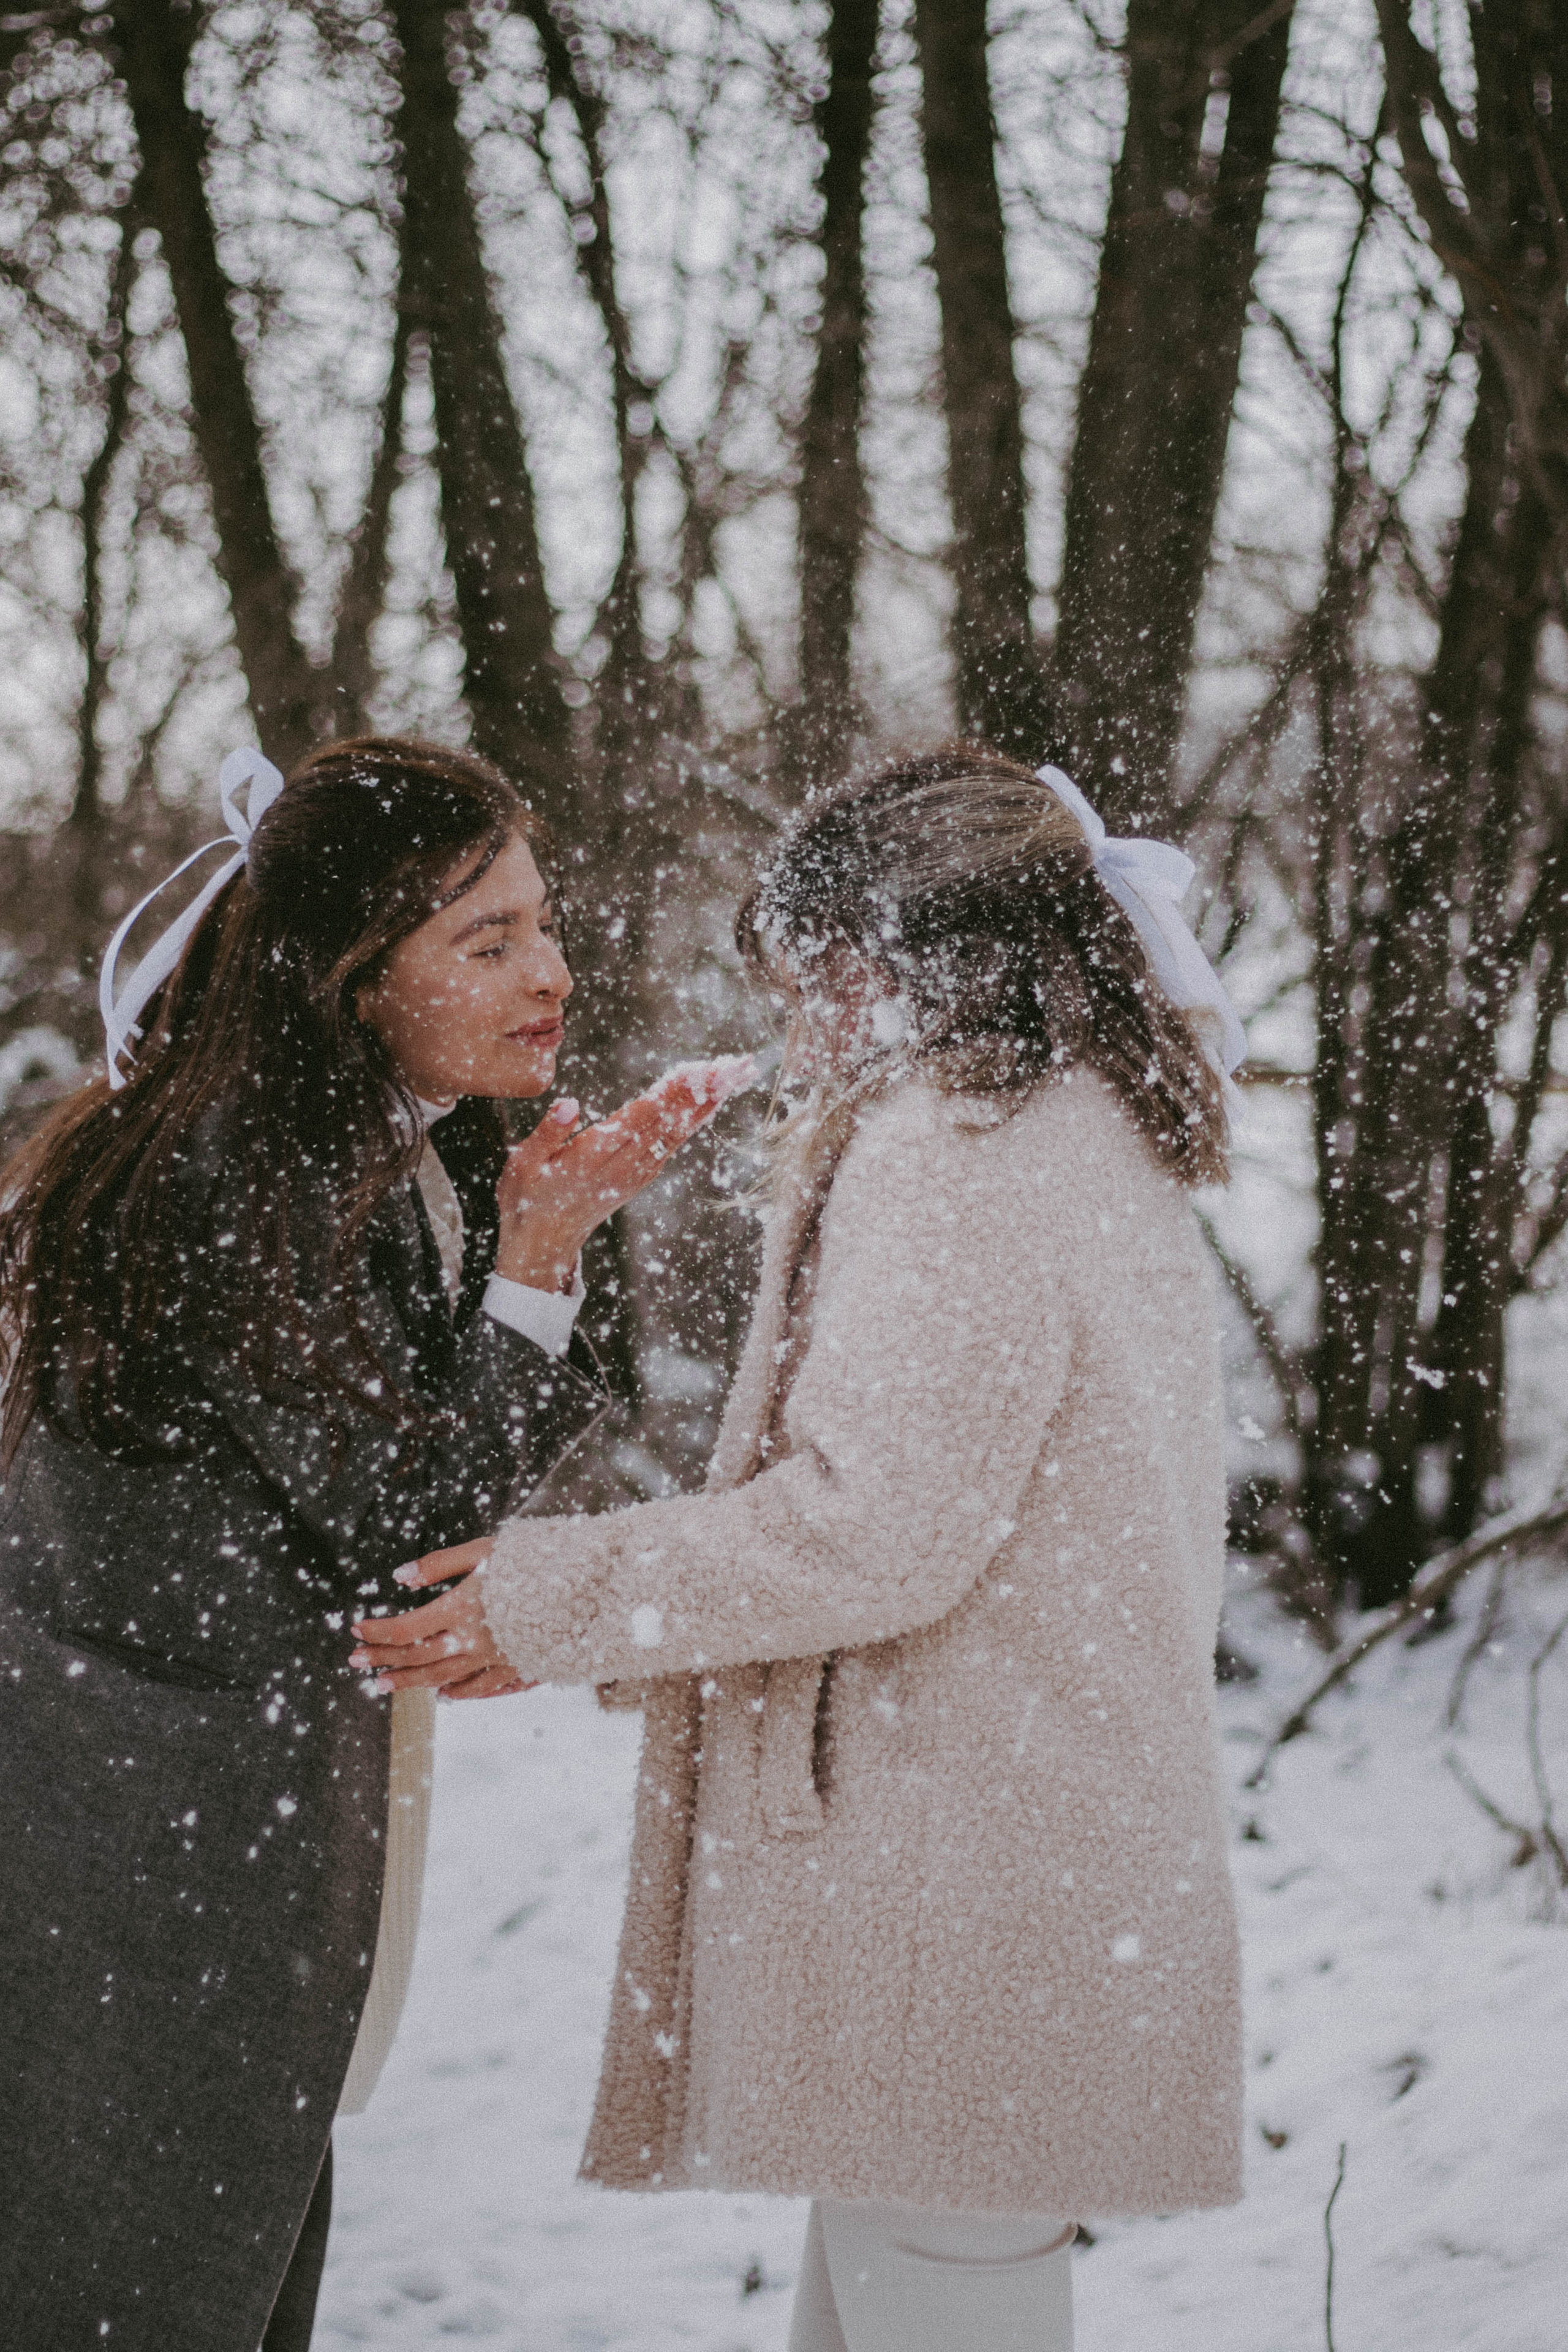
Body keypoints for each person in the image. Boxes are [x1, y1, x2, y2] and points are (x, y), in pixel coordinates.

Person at [355, 744, 1250, 2352]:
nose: (797, 1021)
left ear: (894, 959)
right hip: (1025, 1831)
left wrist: (548, 1597)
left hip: (960, 1861)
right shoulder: (1074, 1119)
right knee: (920, 2258)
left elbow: (870, 1531)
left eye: (809, 977)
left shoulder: (966, 1154)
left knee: (945, 2262)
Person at [0, 734, 741, 2352]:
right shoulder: (231, 1184)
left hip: (194, 1857)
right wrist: (543, 1255)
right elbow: (404, 1530)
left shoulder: (337, 1139)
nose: (548, 972)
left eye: (543, 924)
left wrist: (528, 1235)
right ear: (346, 979)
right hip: (136, 1879)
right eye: (487, 942)